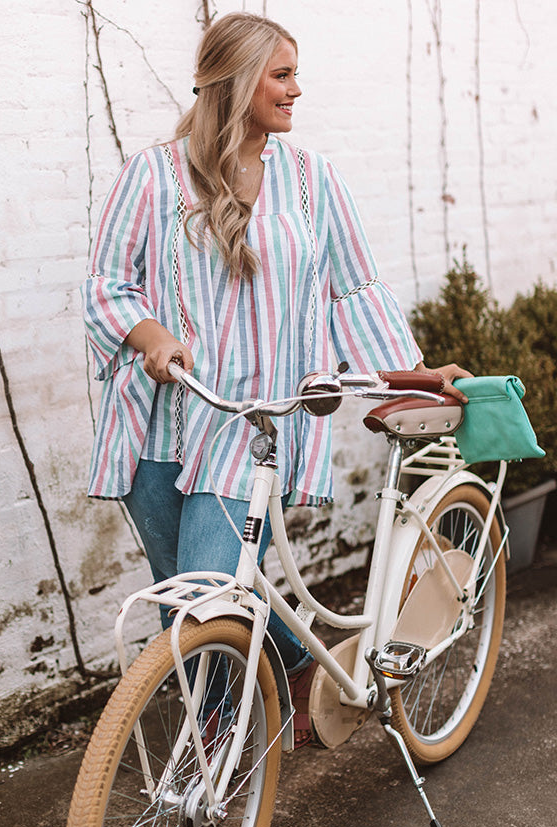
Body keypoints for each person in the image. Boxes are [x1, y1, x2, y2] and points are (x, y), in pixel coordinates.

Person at [82, 11, 470, 747]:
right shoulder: (153, 174)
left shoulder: (313, 180)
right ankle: (293, 669)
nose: (297, 90)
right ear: (234, 83)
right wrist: (153, 335)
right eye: (282, 74)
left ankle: (223, 756)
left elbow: (354, 290)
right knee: (189, 606)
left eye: (296, 74)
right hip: (161, 421)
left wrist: (410, 374)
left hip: (253, 429)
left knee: (205, 599)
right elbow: (106, 284)